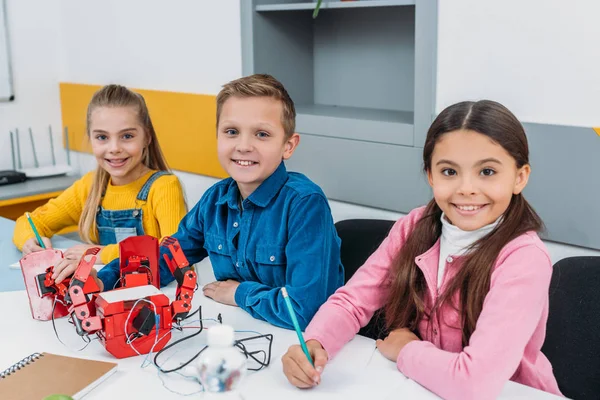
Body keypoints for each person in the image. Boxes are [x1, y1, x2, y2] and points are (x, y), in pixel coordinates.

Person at [282, 100, 562, 399]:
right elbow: (352, 301)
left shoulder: (523, 258)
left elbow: (474, 383)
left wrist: (407, 350)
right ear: (430, 175)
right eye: (449, 172)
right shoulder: (415, 225)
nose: (466, 188)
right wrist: (315, 342)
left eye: (488, 172)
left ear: (519, 177)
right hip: (425, 387)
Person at [99, 74, 344, 330]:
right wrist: (103, 279)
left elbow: (306, 310)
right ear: (217, 136)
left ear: (288, 146)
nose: (244, 146)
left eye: (262, 134)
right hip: (237, 331)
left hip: (297, 344)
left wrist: (239, 294)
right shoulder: (215, 200)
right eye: (231, 132)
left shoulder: (305, 204)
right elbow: (166, 258)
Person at [13, 84, 187, 284]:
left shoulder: (164, 187)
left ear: (146, 137)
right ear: (91, 138)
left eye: (127, 136)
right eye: (102, 137)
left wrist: (101, 254)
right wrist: (29, 241)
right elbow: (29, 222)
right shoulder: (90, 187)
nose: (114, 148)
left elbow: (173, 256)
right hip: (102, 293)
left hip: (154, 297)